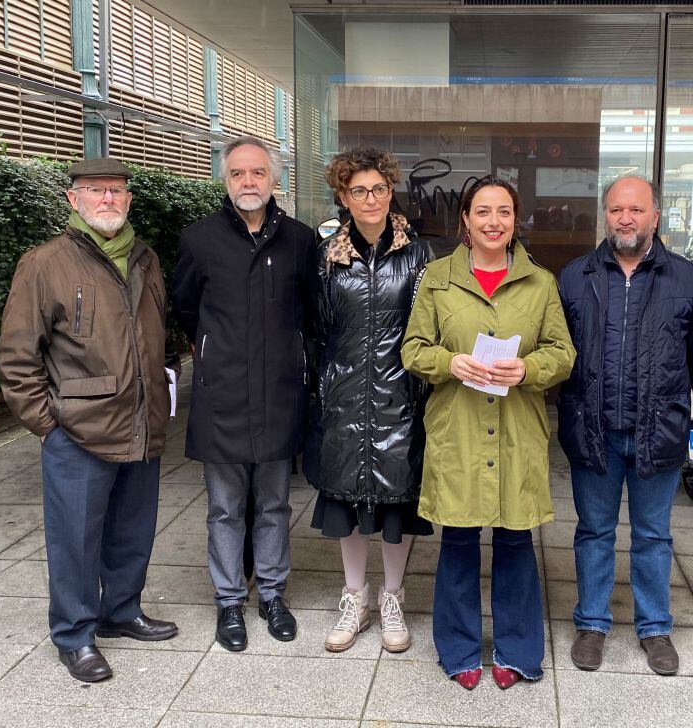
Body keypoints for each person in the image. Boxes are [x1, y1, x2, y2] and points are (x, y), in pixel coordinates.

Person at [0, 158, 180, 683]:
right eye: (96, 191)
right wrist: (47, 423)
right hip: (75, 430)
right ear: (73, 200)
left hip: (140, 420)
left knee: (132, 529)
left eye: (117, 192)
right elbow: (16, 355)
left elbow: (158, 333)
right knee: (74, 539)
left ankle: (121, 612)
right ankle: (74, 635)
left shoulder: (145, 258)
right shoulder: (44, 263)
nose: (108, 200)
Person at [402, 176, 575, 690]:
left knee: (516, 543)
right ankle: (457, 652)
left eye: (503, 211)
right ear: (466, 220)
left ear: (515, 220)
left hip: (517, 430)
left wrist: (529, 370)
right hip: (458, 430)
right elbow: (413, 349)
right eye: (483, 211)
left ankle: (517, 651)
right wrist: (449, 361)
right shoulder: (437, 278)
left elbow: (563, 353)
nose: (494, 221)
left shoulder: (540, 282)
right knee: (457, 541)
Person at [556, 176, 693, 676]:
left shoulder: (687, 280)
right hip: (592, 427)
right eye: (617, 209)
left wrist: (663, 398)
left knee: (652, 535)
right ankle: (593, 623)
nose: (626, 218)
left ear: (656, 216)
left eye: (637, 210)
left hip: (657, 429)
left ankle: (655, 628)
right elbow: (559, 351)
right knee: (595, 531)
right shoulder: (574, 277)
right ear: (605, 215)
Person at [171, 136, 318, 651]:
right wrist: (212, 354)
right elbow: (186, 308)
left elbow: (311, 312)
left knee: (275, 504)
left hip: (278, 395)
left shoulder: (301, 241)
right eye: (238, 174)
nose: (248, 182)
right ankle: (229, 601)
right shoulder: (199, 239)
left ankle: (273, 595)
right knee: (225, 508)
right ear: (225, 181)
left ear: (274, 180)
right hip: (223, 397)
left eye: (258, 173)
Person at [303, 146, 435, 654]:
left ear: (390, 191)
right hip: (342, 395)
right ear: (343, 196)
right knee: (346, 500)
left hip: (400, 395)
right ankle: (354, 597)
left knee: (396, 504)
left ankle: (392, 597)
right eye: (358, 190)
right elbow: (316, 328)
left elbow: (427, 326)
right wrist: (323, 388)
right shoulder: (328, 257)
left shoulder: (418, 254)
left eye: (378, 188)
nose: (370, 198)